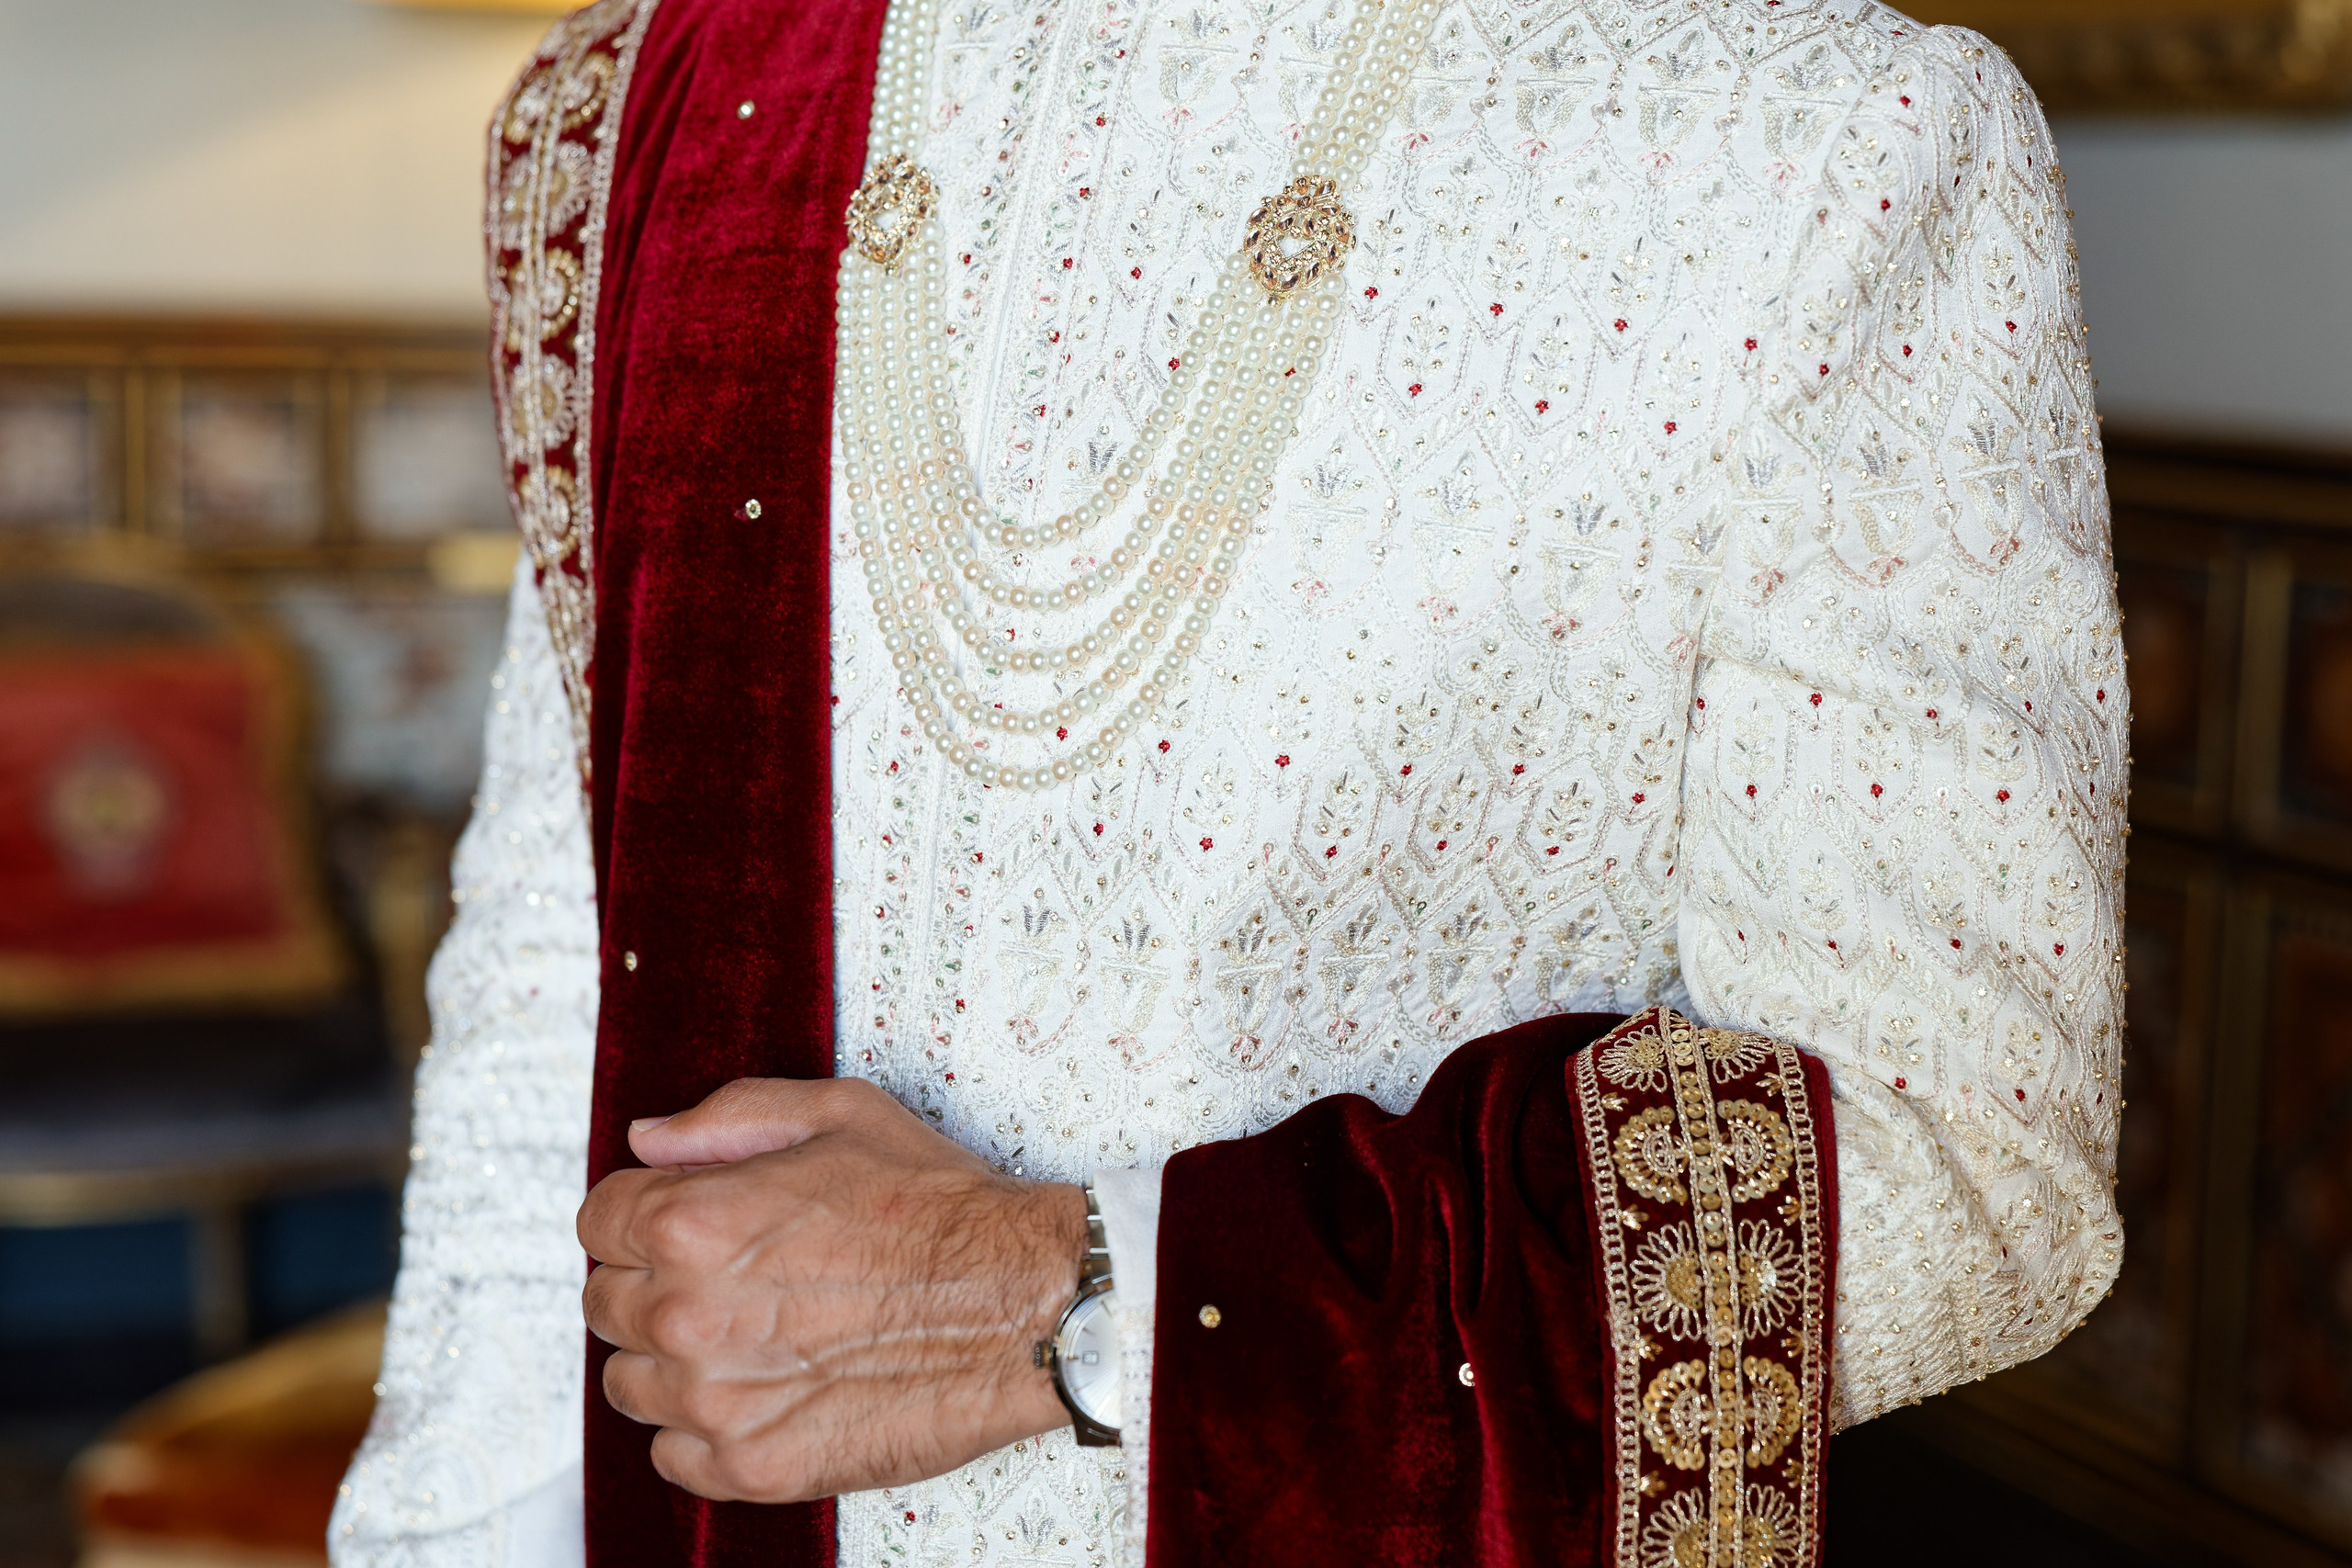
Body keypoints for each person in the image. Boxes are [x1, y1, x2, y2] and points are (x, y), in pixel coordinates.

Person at [332, 0, 2129, 1562]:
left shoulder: (1800, 136)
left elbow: (1968, 1163)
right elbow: (551, 1004)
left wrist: (1063, 1293)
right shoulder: (640, 108)